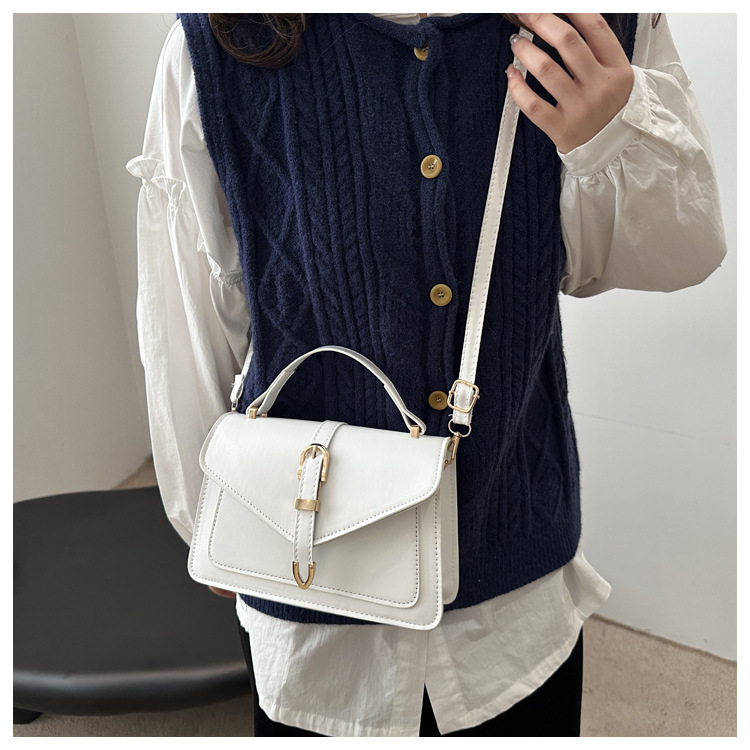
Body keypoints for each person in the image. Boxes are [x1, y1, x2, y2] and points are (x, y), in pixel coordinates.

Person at [126, 12, 727, 737]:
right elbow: (189, 312)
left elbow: (681, 251)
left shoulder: (586, 30)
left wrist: (608, 134)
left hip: (513, 596)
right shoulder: (221, 43)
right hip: (309, 591)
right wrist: (209, 518)